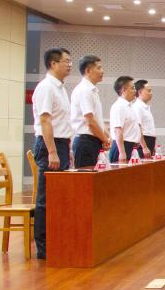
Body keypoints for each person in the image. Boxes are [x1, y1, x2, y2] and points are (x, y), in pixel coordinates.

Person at [32, 48, 73, 260]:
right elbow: (45, 120)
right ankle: (44, 247)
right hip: (50, 144)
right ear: (53, 64)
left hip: (61, 144)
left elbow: (62, 121)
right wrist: (53, 151)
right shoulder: (46, 87)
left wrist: (67, 148)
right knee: (46, 198)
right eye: (66, 61)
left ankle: (57, 241)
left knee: (59, 198)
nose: (70, 65)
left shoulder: (61, 88)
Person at [70, 54, 111, 168]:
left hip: (93, 141)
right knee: (86, 177)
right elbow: (90, 121)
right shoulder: (84, 90)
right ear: (88, 70)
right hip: (85, 142)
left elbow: (97, 120)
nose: (102, 71)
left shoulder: (92, 90)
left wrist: (107, 137)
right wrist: (105, 139)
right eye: (99, 68)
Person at [108, 76, 140, 163]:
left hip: (130, 146)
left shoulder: (130, 106)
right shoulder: (119, 106)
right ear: (123, 90)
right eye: (132, 88)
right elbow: (118, 130)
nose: (135, 91)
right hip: (121, 147)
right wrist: (122, 152)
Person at [133, 79, 156, 155]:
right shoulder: (137, 107)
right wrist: (144, 147)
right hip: (143, 142)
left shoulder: (145, 107)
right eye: (148, 91)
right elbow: (137, 128)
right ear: (140, 92)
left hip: (149, 141)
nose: (151, 93)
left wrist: (153, 145)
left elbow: (149, 128)